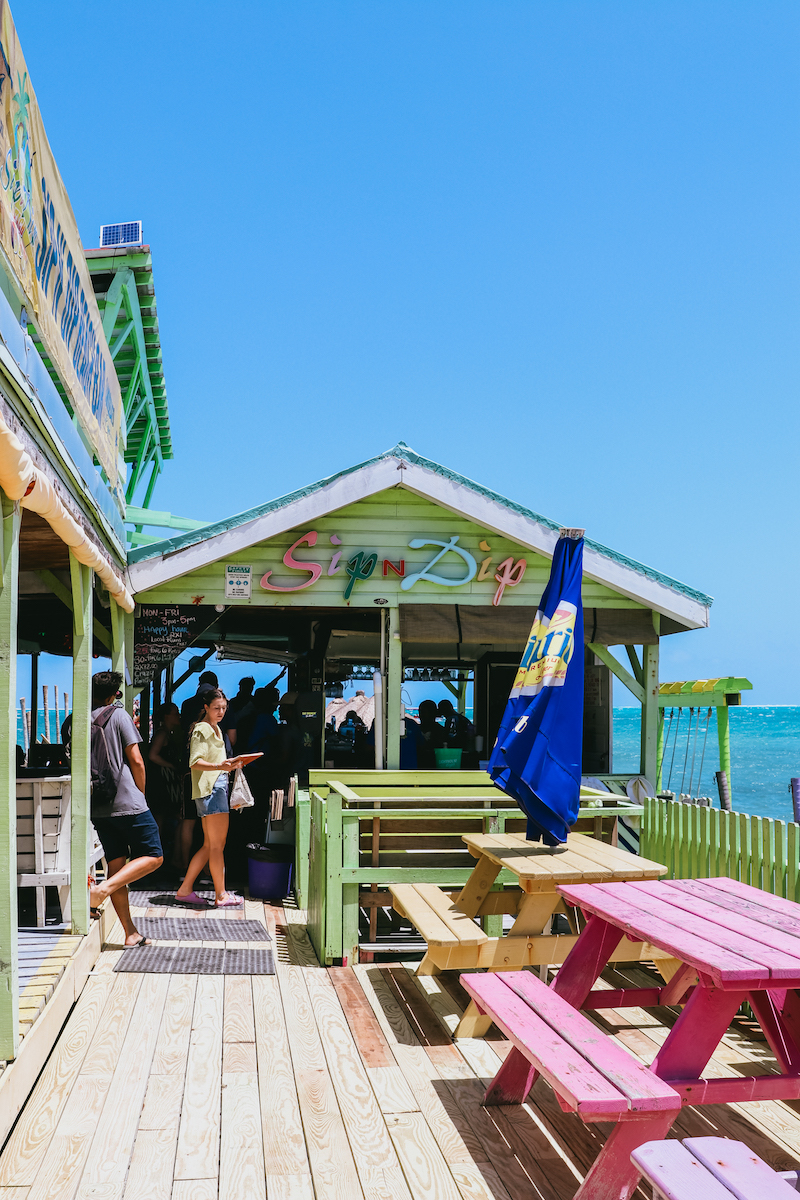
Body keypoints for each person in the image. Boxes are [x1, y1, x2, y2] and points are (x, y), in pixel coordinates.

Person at [88, 671, 164, 946]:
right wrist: (141, 795)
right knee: (154, 856)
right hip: (127, 801)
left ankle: (130, 933)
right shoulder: (118, 715)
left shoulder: (78, 719)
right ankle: (101, 891)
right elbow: (137, 760)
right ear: (114, 694)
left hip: (98, 805)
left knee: (117, 864)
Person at [176, 689, 247, 907]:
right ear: (205, 707)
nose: (221, 712)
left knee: (211, 845)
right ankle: (221, 895)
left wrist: (231, 764)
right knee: (216, 845)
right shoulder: (203, 729)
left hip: (216, 788)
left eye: (224, 708)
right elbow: (194, 761)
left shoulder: (215, 728)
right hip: (211, 789)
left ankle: (185, 889)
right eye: (216, 708)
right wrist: (220, 766)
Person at [147, 703, 183, 840]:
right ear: (166, 716)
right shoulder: (162, 734)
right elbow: (153, 755)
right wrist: (171, 766)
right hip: (162, 782)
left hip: (165, 781)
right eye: (175, 713)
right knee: (161, 816)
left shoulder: (167, 733)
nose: (178, 716)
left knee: (161, 816)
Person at [222, 675, 256, 747]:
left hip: (250, 734)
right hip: (237, 734)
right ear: (241, 687)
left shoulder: (254, 701)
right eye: (247, 686)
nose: (249, 689)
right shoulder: (234, 702)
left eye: (250, 687)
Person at [416, 699, 446, 768]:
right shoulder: (416, 729)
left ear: (433, 713)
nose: (421, 715)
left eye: (424, 712)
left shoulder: (440, 731)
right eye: (420, 712)